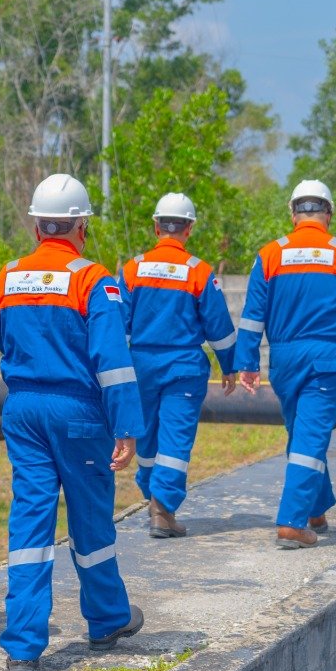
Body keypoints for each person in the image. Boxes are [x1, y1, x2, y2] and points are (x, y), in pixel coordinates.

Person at [0, 173, 144, 671]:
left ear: (37, 227)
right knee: (90, 518)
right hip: (78, 412)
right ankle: (105, 621)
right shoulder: (93, 279)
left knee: (30, 523)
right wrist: (126, 425)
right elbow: (113, 359)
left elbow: (2, 336)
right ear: (81, 227)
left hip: (24, 409)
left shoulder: (8, 276)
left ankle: (23, 644)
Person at [234, 180, 336, 549]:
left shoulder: (270, 254)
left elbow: (252, 316)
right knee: (310, 437)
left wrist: (247, 362)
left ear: (293, 213)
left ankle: (316, 508)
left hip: (284, 359)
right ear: (328, 214)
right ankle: (293, 523)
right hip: (326, 357)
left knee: (301, 433)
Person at [119, 192, 238, 538]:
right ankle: (162, 506)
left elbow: (115, 323)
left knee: (147, 437)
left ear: (157, 227)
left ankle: (155, 500)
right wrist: (229, 365)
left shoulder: (132, 269)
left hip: (139, 367)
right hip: (183, 368)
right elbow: (219, 327)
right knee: (176, 438)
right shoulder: (198, 272)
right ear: (188, 229)